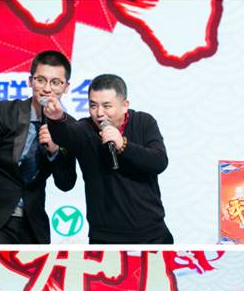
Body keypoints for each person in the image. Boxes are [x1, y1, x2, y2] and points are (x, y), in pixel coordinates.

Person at [0, 50, 77, 244]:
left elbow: (66, 183)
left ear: (66, 87)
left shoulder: (69, 127)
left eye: (56, 82)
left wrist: (55, 150)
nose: (47, 89)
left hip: (34, 225)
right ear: (30, 81)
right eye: (41, 80)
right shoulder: (3, 112)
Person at [44, 73, 173, 244]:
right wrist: (57, 119)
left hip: (152, 235)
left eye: (107, 106)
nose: (99, 113)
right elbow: (65, 135)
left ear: (125, 105)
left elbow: (159, 161)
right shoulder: (85, 129)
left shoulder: (144, 122)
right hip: (104, 238)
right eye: (93, 106)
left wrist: (123, 145)